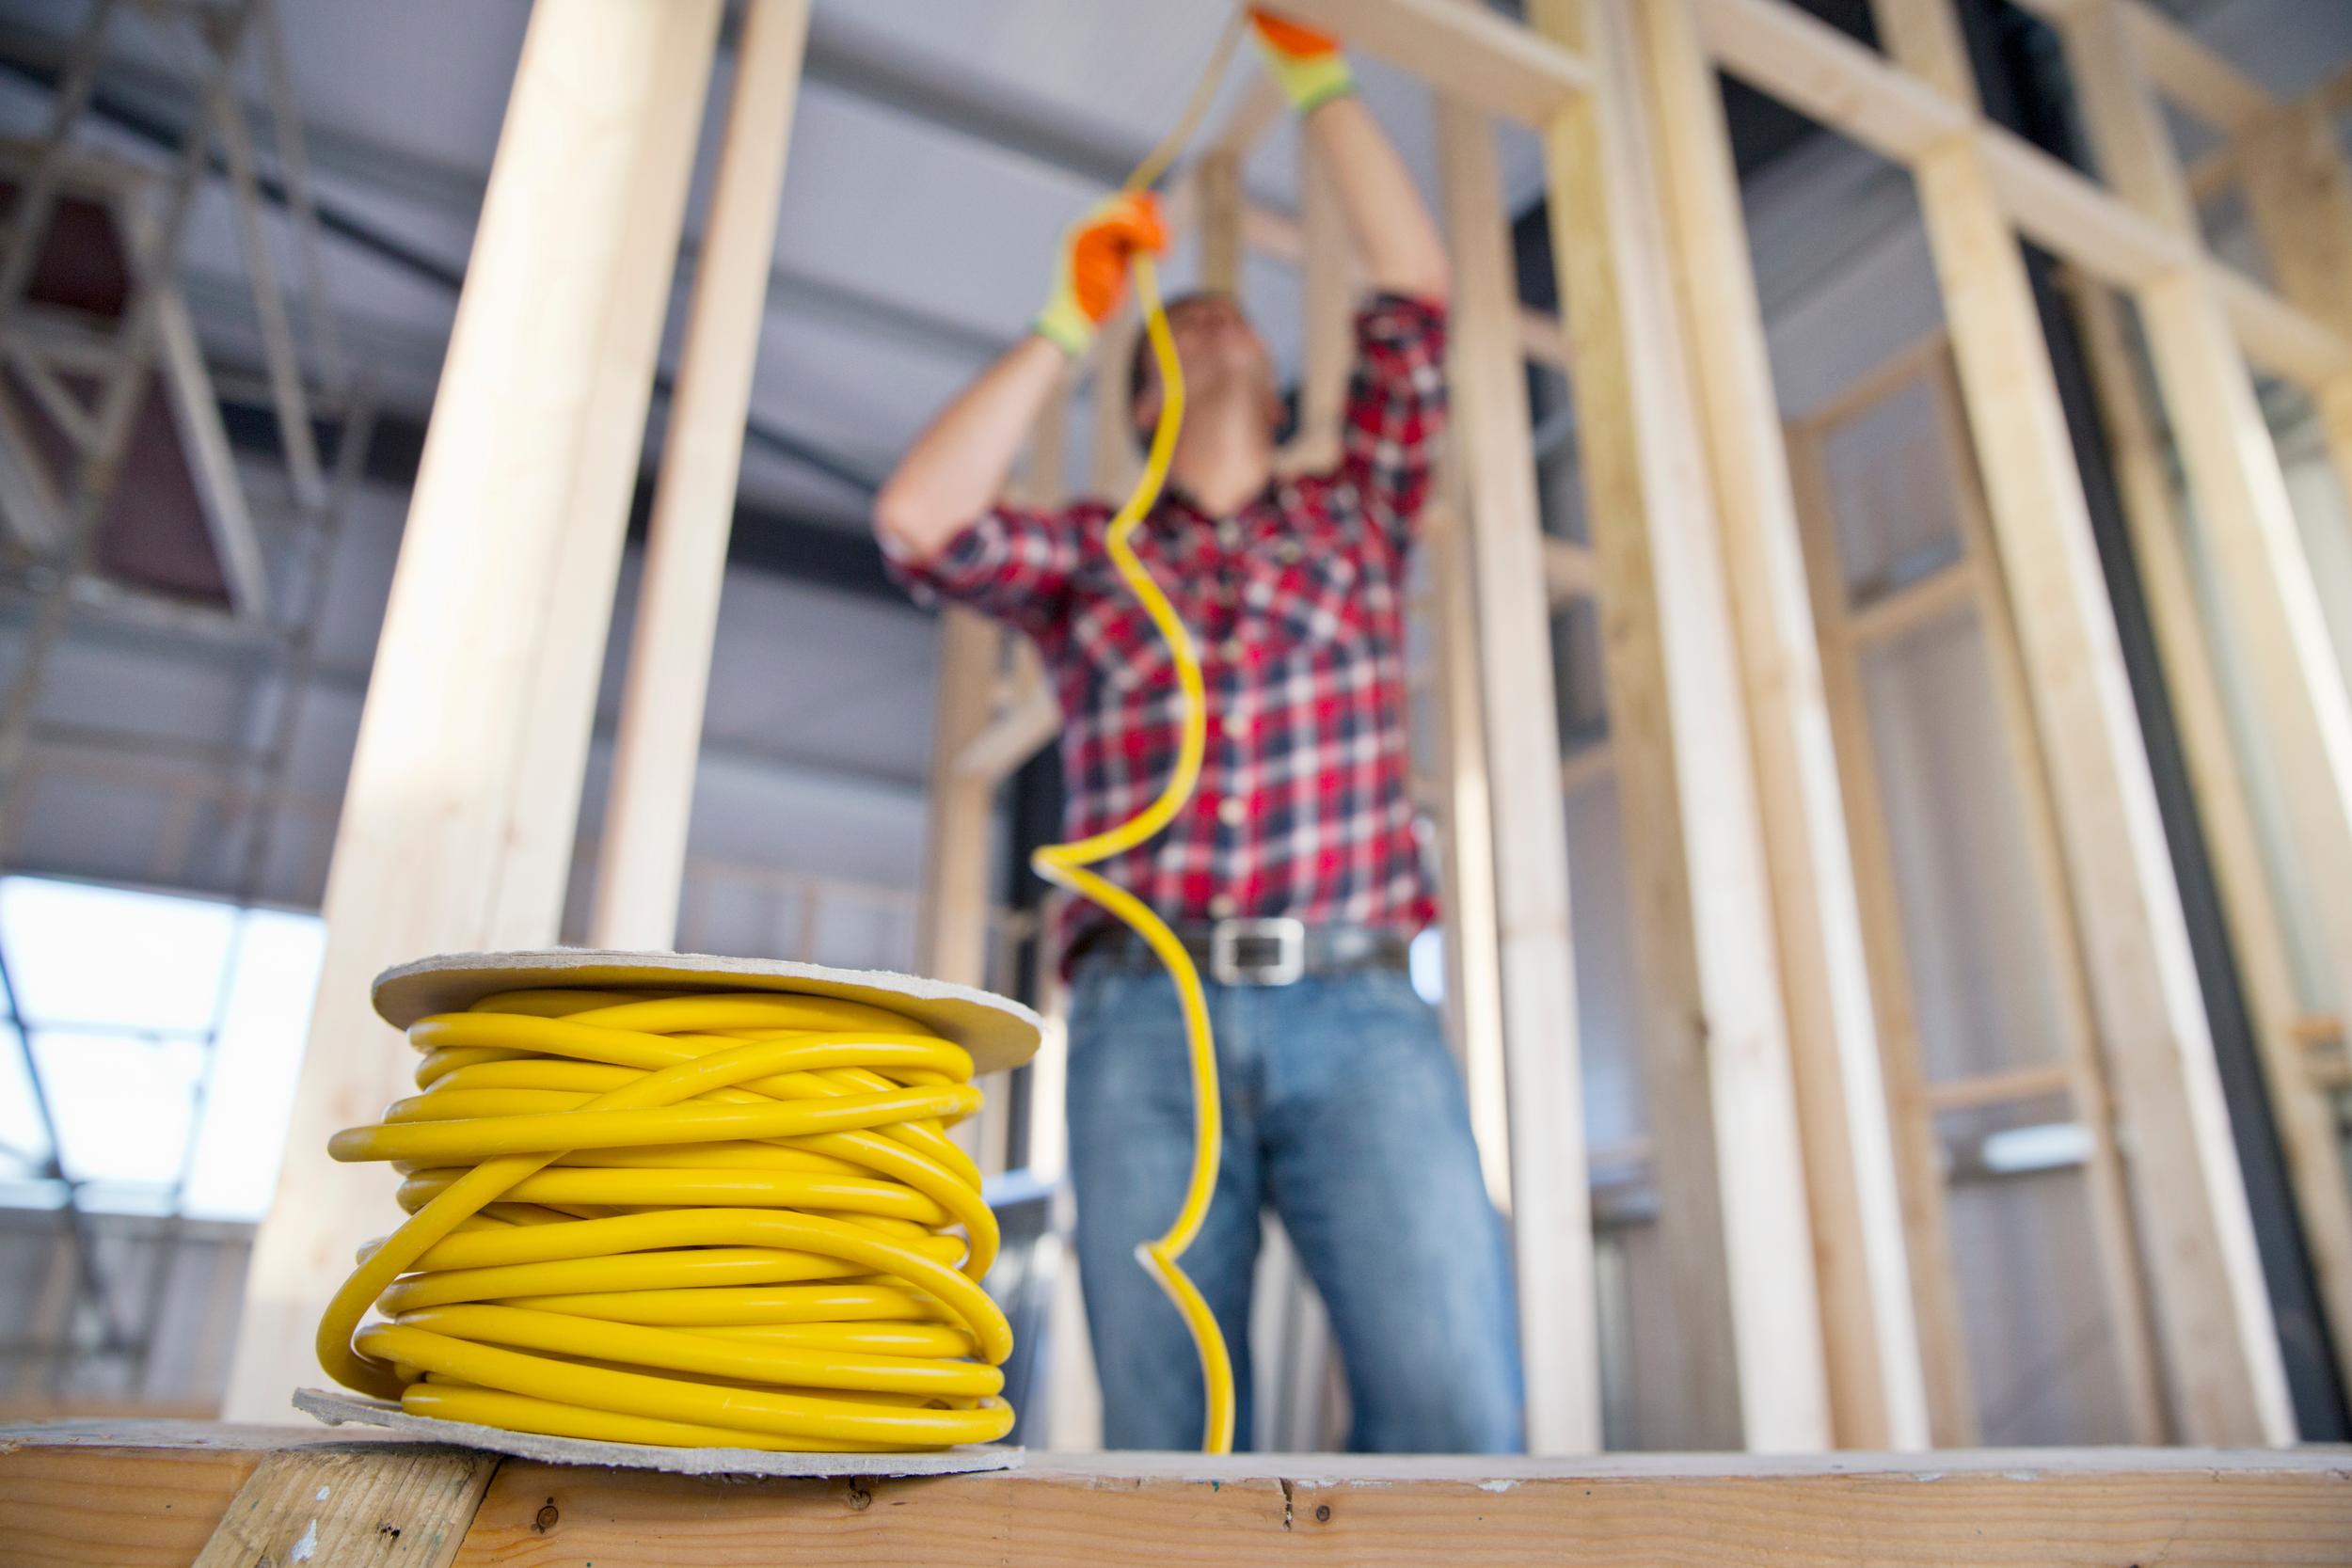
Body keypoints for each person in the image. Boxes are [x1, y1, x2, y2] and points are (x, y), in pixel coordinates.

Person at [873, 11, 1520, 1453]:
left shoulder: (1355, 515)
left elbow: (1416, 288)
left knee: (1460, 1418)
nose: (1215, 310)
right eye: (1184, 318)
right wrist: (1066, 319)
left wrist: (1319, 77)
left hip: (1360, 1011)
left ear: (1276, 387)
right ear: (1146, 393)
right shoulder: (1093, 554)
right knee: (1169, 1448)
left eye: (1239, 315)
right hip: (1138, 1026)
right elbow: (919, 519)